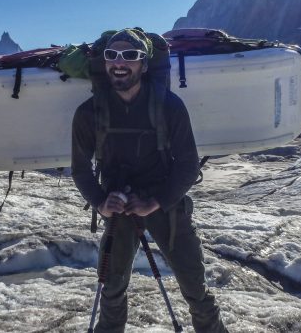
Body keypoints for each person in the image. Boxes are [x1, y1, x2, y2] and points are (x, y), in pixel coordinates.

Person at [72, 28, 228, 332]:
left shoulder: (169, 106)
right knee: (113, 288)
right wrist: (102, 203)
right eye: (112, 56)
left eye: (130, 56)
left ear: (144, 64)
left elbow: (187, 164)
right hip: (118, 209)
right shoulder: (89, 113)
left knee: (194, 286)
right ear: (104, 64)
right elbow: (80, 170)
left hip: (166, 206)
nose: (120, 62)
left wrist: (155, 202)